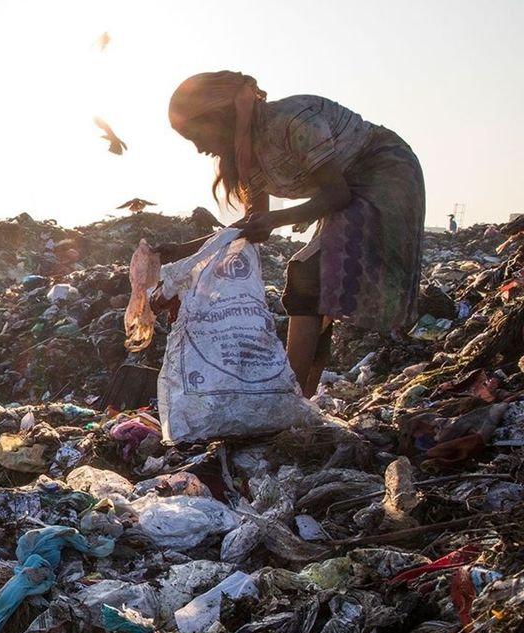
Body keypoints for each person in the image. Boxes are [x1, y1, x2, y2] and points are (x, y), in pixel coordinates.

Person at [162, 71, 425, 397]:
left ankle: (291, 397)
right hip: (345, 189)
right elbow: (253, 226)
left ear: (219, 116)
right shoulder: (248, 155)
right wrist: (181, 252)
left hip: (384, 170)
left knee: (308, 276)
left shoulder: (291, 121)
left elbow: (337, 194)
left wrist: (275, 219)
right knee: (316, 284)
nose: (200, 148)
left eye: (196, 135)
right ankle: (303, 396)